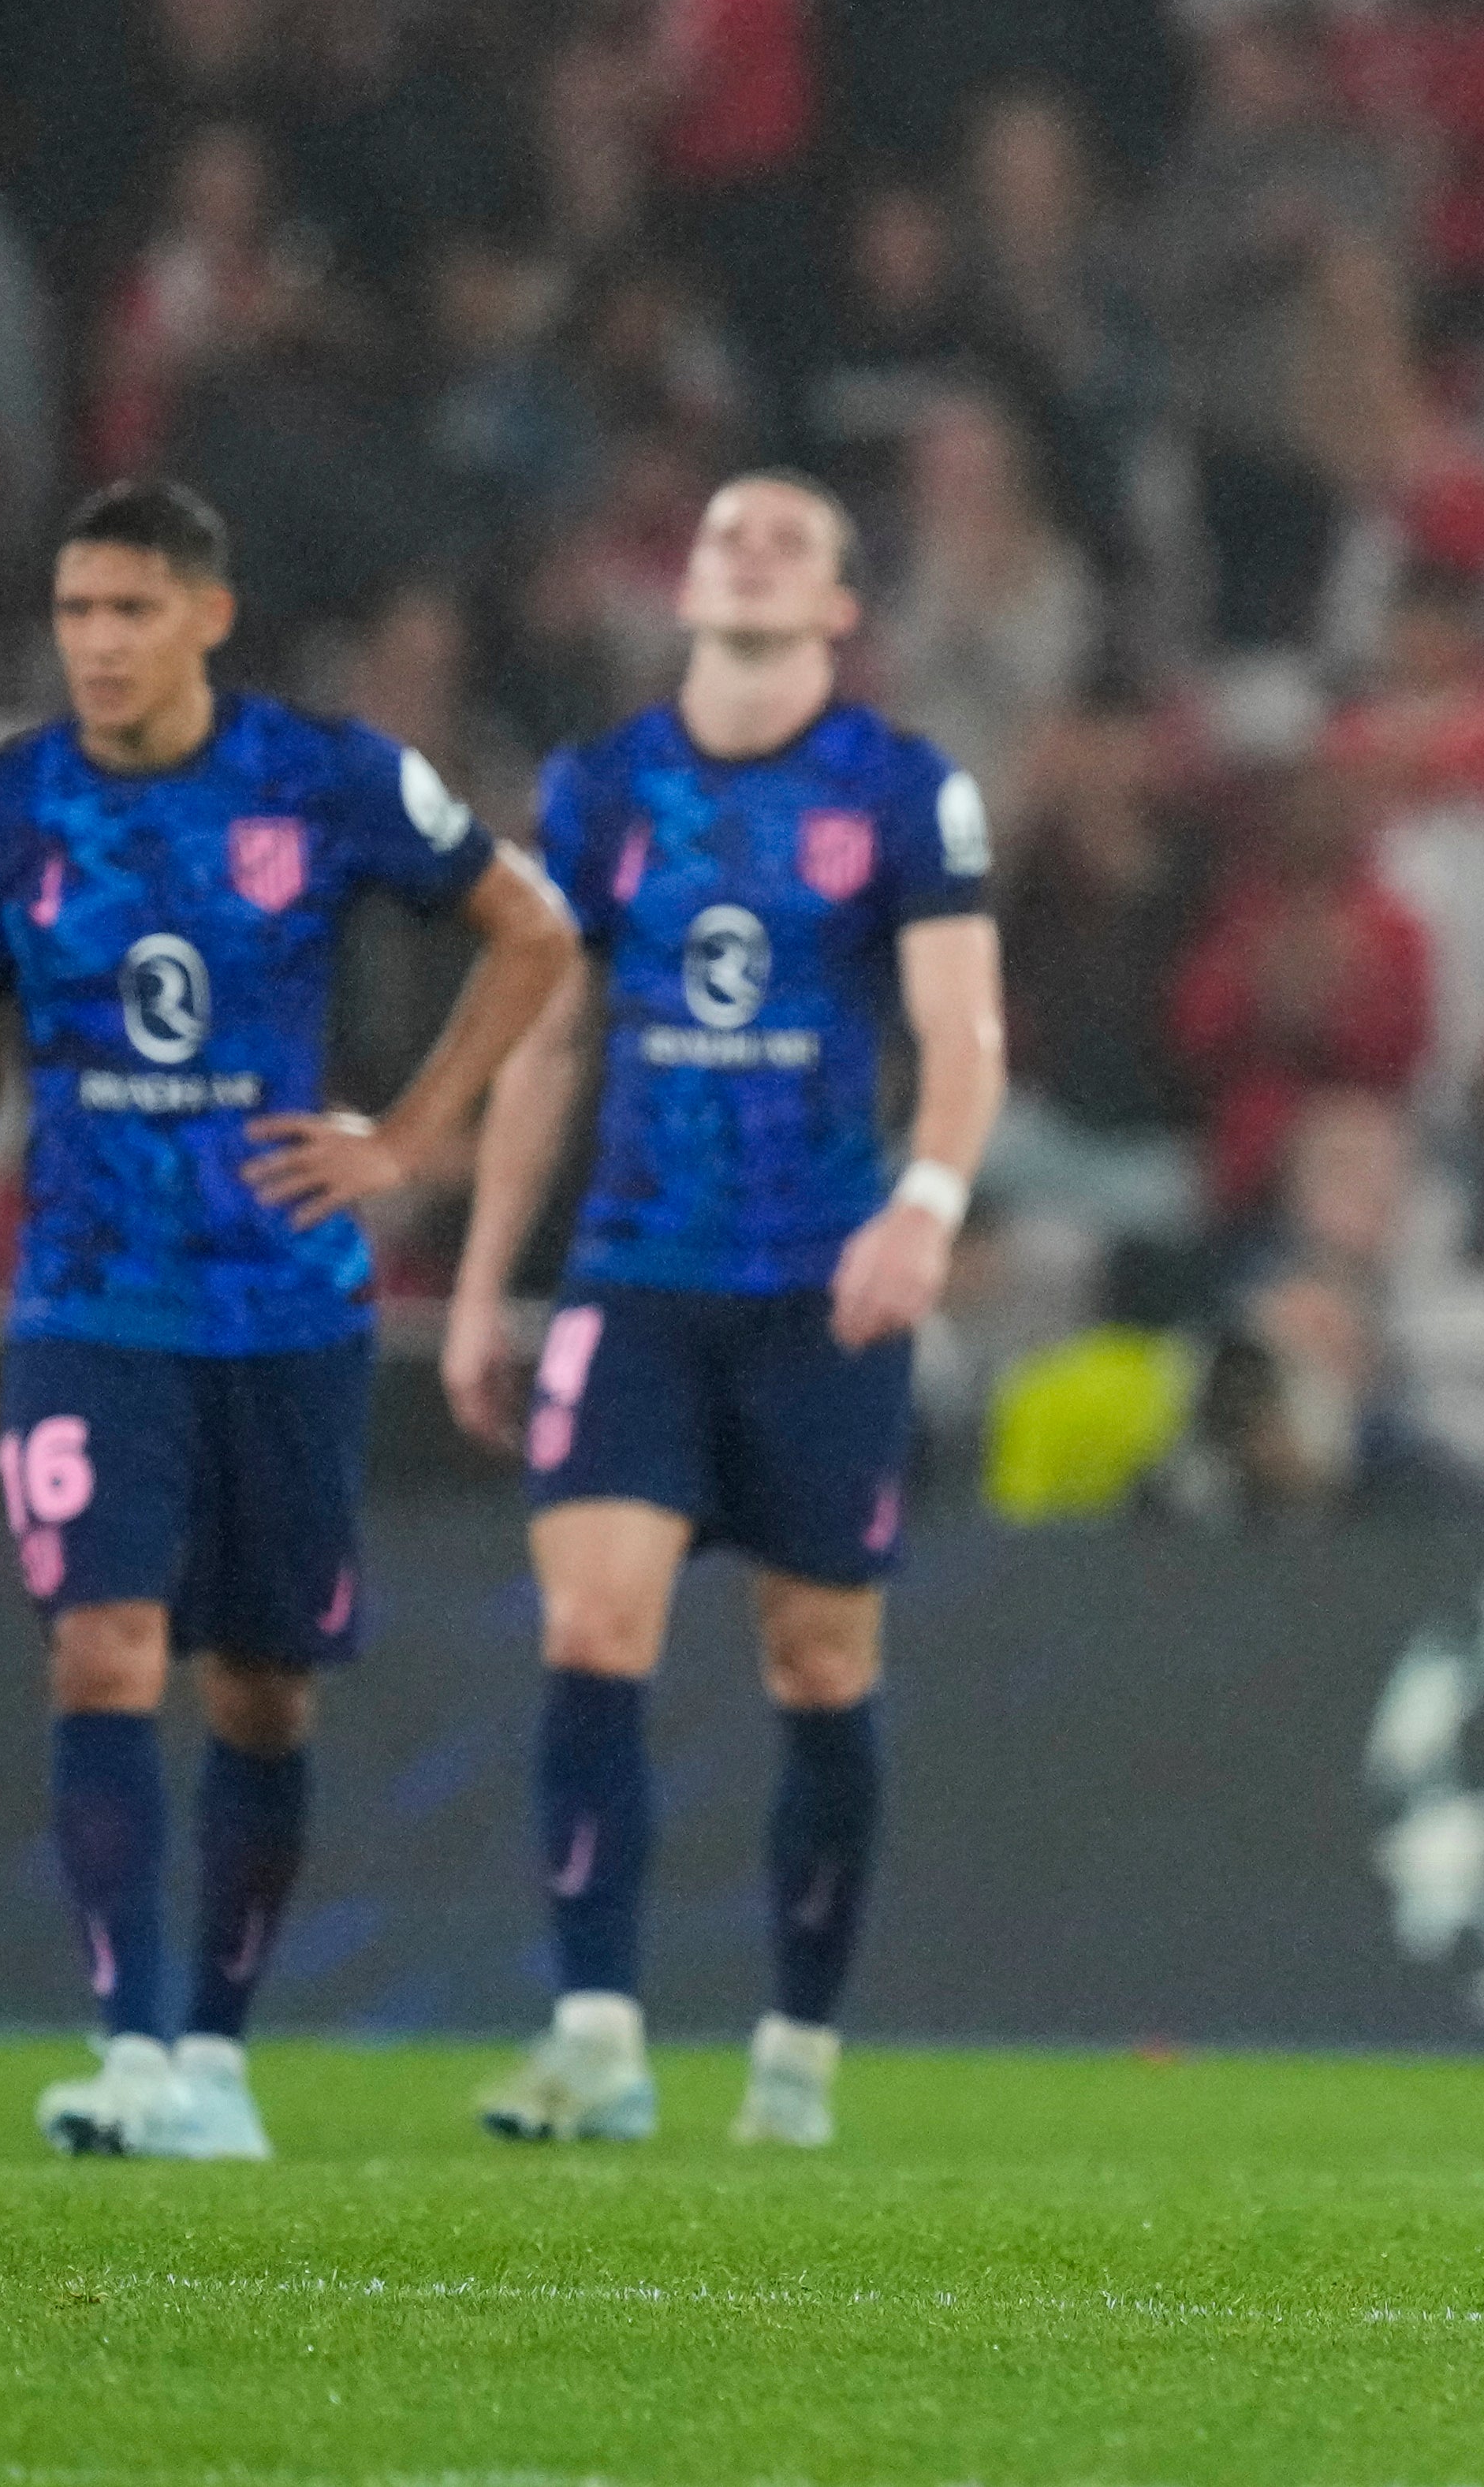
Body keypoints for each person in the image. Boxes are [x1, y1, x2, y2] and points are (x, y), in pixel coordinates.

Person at [0, 477, 577, 2159]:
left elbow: (535, 928)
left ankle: (213, 2052)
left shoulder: (323, 776)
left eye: (131, 610)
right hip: (89, 1298)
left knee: (264, 1692)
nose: (100, 645)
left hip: (284, 1301)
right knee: (105, 1644)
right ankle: (126, 2049)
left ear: (207, 615)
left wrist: (410, 1141)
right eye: (75, 614)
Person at [442, 471, 1008, 2150]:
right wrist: (484, 1281)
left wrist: (924, 1201)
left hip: (821, 1289)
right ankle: (598, 2034)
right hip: (635, 1274)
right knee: (590, 1624)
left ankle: (797, 2053)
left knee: (816, 1656)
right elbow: (548, 1035)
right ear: (682, 583)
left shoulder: (901, 789)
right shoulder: (604, 787)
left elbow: (961, 1033)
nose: (746, 549)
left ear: (841, 606)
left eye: (790, 539)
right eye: (721, 533)